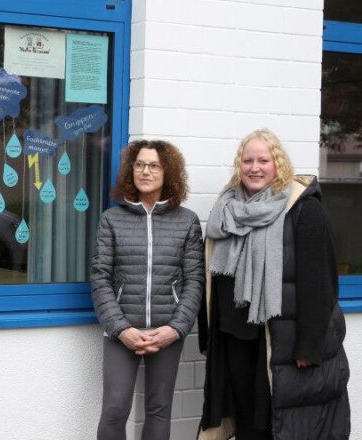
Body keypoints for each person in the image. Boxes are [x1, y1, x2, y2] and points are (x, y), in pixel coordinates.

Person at [198, 128, 350, 440]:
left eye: (263, 160)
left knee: (277, 423)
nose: (254, 167)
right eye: (247, 160)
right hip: (232, 336)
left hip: (281, 339)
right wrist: (207, 335)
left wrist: (310, 344)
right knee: (245, 420)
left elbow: (320, 284)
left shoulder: (305, 210)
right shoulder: (226, 209)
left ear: (278, 164)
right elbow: (210, 276)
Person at [91, 139, 204, 440]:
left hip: (166, 331)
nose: (145, 171)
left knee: (158, 409)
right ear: (131, 170)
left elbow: (195, 280)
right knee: (114, 410)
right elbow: (100, 278)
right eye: (139, 164)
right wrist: (121, 329)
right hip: (121, 332)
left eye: (154, 165)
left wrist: (175, 329)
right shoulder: (111, 219)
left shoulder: (187, 221)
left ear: (168, 172)